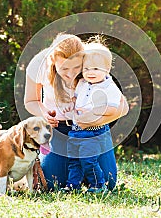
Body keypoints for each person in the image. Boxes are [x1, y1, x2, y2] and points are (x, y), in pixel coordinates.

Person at [24, 33, 129, 191]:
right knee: (53, 183)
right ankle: (76, 175)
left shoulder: (91, 64)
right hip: (58, 129)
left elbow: (124, 107)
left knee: (109, 181)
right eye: (64, 68)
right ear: (53, 61)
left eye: (76, 67)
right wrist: (44, 114)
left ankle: (86, 174)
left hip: (94, 130)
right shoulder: (38, 65)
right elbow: (31, 101)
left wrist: (91, 121)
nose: (71, 73)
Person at [63, 42, 124, 193]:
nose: (90, 72)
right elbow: (76, 100)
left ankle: (98, 185)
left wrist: (93, 113)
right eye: (86, 68)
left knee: (88, 160)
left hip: (93, 132)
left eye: (96, 69)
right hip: (75, 131)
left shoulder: (109, 88)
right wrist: (71, 105)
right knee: (74, 161)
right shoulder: (83, 84)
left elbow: (113, 109)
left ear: (107, 70)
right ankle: (73, 185)